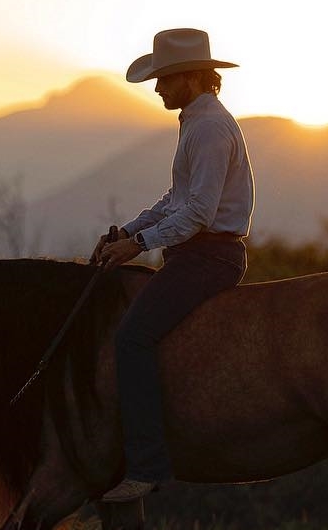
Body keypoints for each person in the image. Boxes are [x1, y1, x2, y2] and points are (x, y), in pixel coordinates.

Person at [93, 28, 256, 502]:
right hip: (200, 251)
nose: (158, 88)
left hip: (209, 256)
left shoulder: (207, 128)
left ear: (189, 77)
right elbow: (178, 199)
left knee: (133, 337)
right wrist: (129, 232)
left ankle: (146, 465)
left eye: (164, 80)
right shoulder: (198, 121)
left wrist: (138, 244)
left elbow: (200, 213)